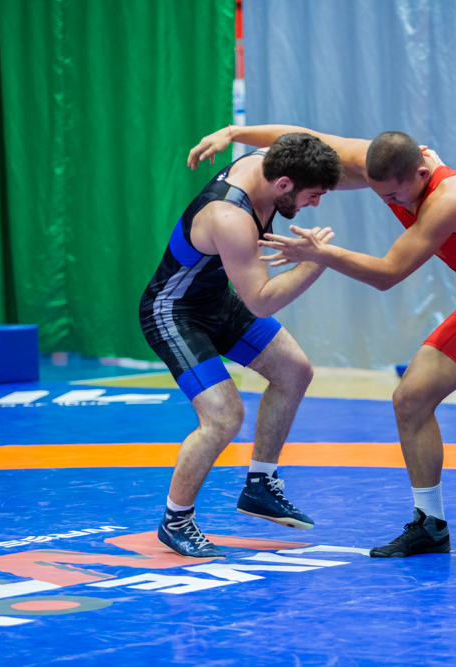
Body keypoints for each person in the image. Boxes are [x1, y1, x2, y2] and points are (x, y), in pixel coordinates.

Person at [190, 125, 456, 559]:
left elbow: (389, 274)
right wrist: (236, 132)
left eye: (396, 196)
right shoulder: (384, 167)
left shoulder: (451, 196)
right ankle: (430, 524)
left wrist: (322, 254)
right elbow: (306, 138)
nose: (392, 203)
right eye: (382, 195)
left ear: (421, 174)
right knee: (409, 400)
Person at [141, 132, 341, 558]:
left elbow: (316, 147)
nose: (315, 204)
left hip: (217, 300)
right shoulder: (230, 217)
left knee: (294, 371)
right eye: (313, 195)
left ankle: (260, 485)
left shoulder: (273, 161)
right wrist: (318, 260)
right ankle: (176, 520)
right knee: (223, 416)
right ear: (284, 184)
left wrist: (231, 133)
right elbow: (261, 301)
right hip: (174, 311)